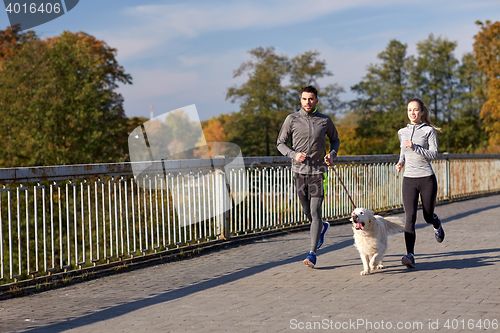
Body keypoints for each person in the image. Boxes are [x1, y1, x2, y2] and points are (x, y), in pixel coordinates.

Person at [277, 85, 340, 268]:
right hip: (299, 172)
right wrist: (293, 154)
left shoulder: (325, 121)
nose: (308, 102)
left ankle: (312, 253)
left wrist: (332, 155)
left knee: (314, 210)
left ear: (316, 100)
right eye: (304, 99)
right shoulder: (292, 119)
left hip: (318, 173)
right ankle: (321, 227)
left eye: (311, 99)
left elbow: (335, 140)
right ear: (301, 100)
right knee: (307, 212)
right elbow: (280, 143)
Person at [396, 98, 445, 269]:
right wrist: (400, 162)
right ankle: (410, 254)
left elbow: (434, 154)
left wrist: (415, 146)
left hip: (426, 178)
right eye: (410, 110)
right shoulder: (402, 132)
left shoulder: (428, 131)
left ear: (422, 112)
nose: (412, 113)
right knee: (410, 217)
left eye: (416, 110)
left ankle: (436, 222)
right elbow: (403, 151)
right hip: (409, 179)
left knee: (427, 215)